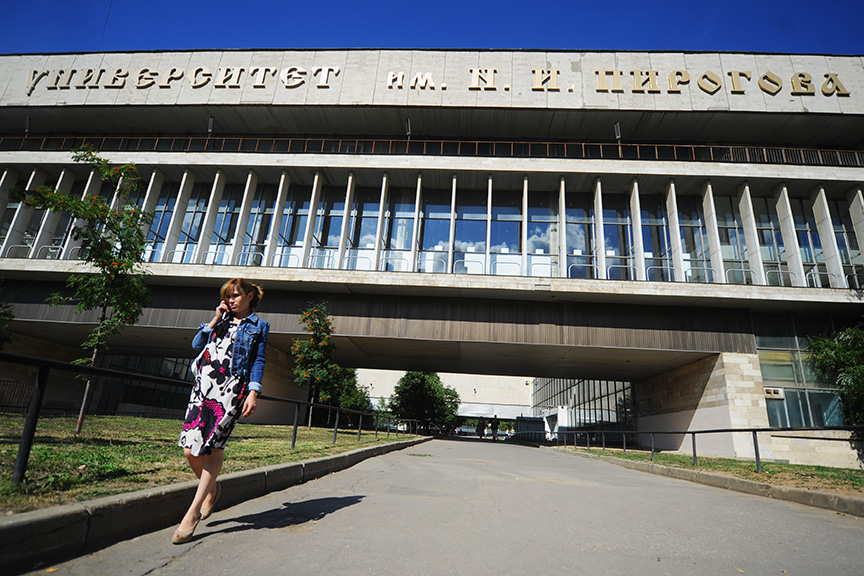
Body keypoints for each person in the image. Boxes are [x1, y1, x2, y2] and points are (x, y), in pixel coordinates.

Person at [172, 278, 270, 544]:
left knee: (212, 448)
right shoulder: (222, 320)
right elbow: (196, 345)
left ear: (250, 296)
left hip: (231, 389)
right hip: (203, 386)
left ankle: (192, 514)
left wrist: (253, 392)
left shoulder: (259, 326)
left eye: (236, 295)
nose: (231, 300)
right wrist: (214, 320)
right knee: (189, 449)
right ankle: (213, 488)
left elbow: (258, 360)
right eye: (228, 296)